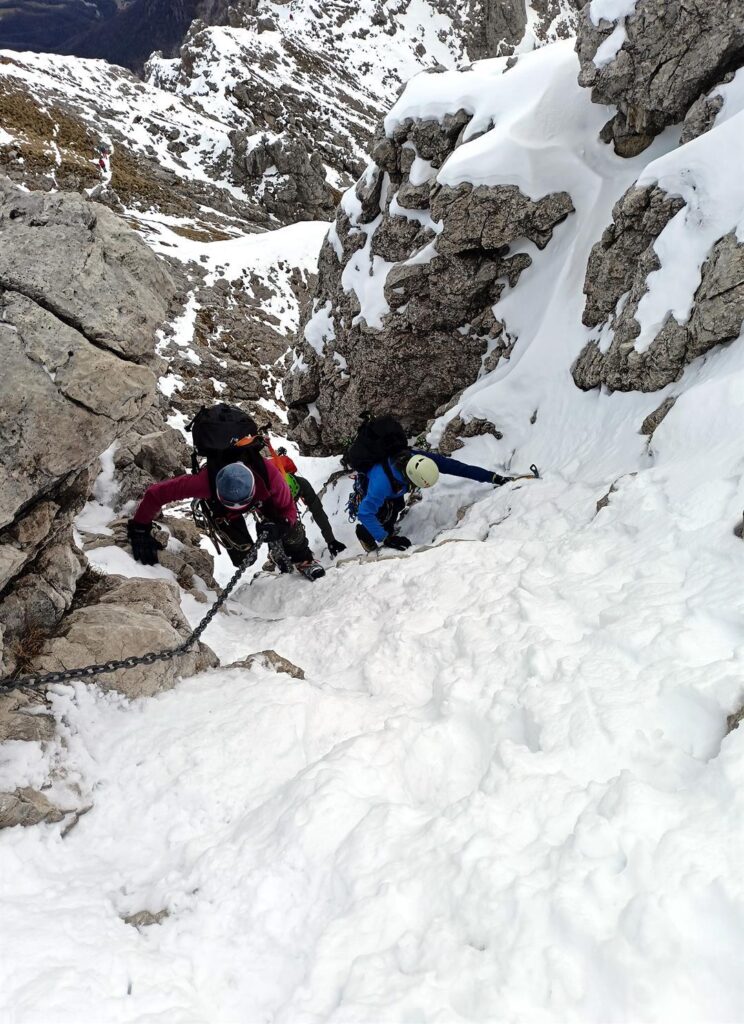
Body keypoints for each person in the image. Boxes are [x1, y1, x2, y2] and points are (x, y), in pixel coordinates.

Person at [126, 457, 325, 581]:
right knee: (244, 558)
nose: (239, 508)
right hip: (223, 510)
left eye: (241, 503)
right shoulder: (203, 483)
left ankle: (304, 559)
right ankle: (253, 548)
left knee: (287, 528)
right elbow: (156, 494)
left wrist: (282, 525)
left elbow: (289, 509)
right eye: (233, 503)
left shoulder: (270, 477)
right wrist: (140, 527)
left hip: (262, 499)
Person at [355, 449, 513, 553]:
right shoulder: (380, 485)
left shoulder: (421, 461)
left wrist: (493, 477)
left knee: (398, 505)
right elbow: (365, 512)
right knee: (383, 513)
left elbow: (457, 468)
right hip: (371, 487)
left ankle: (386, 525)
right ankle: (365, 535)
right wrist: (385, 538)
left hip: (394, 489)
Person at [273, 447, 346, 558]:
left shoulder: (302, 484)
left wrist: (331, 540)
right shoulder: (271, 494)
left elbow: (318, 512)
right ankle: (277, 555)